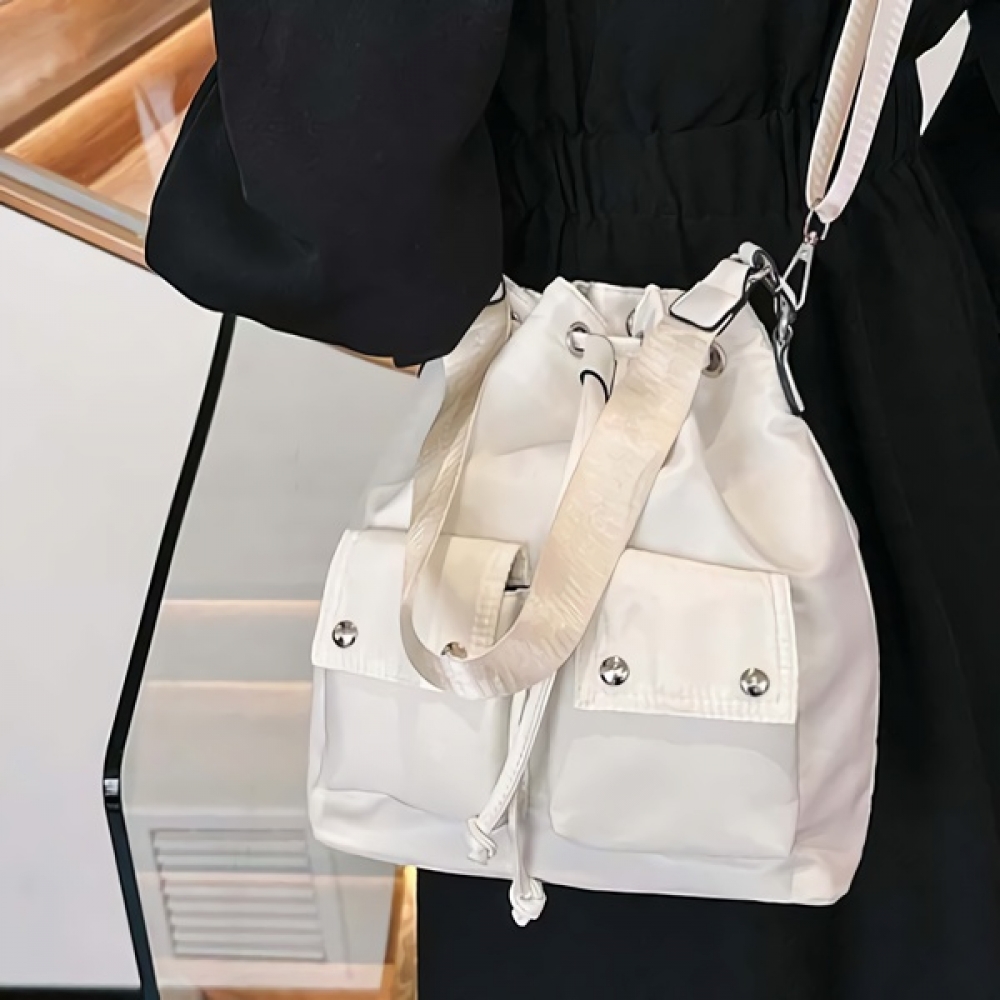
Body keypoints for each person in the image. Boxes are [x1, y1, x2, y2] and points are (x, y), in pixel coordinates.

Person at [146, 2, 1000, 997]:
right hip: (883, 311)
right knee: (924, 885)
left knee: (589, 872)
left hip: (563, 354)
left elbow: (345, 184)